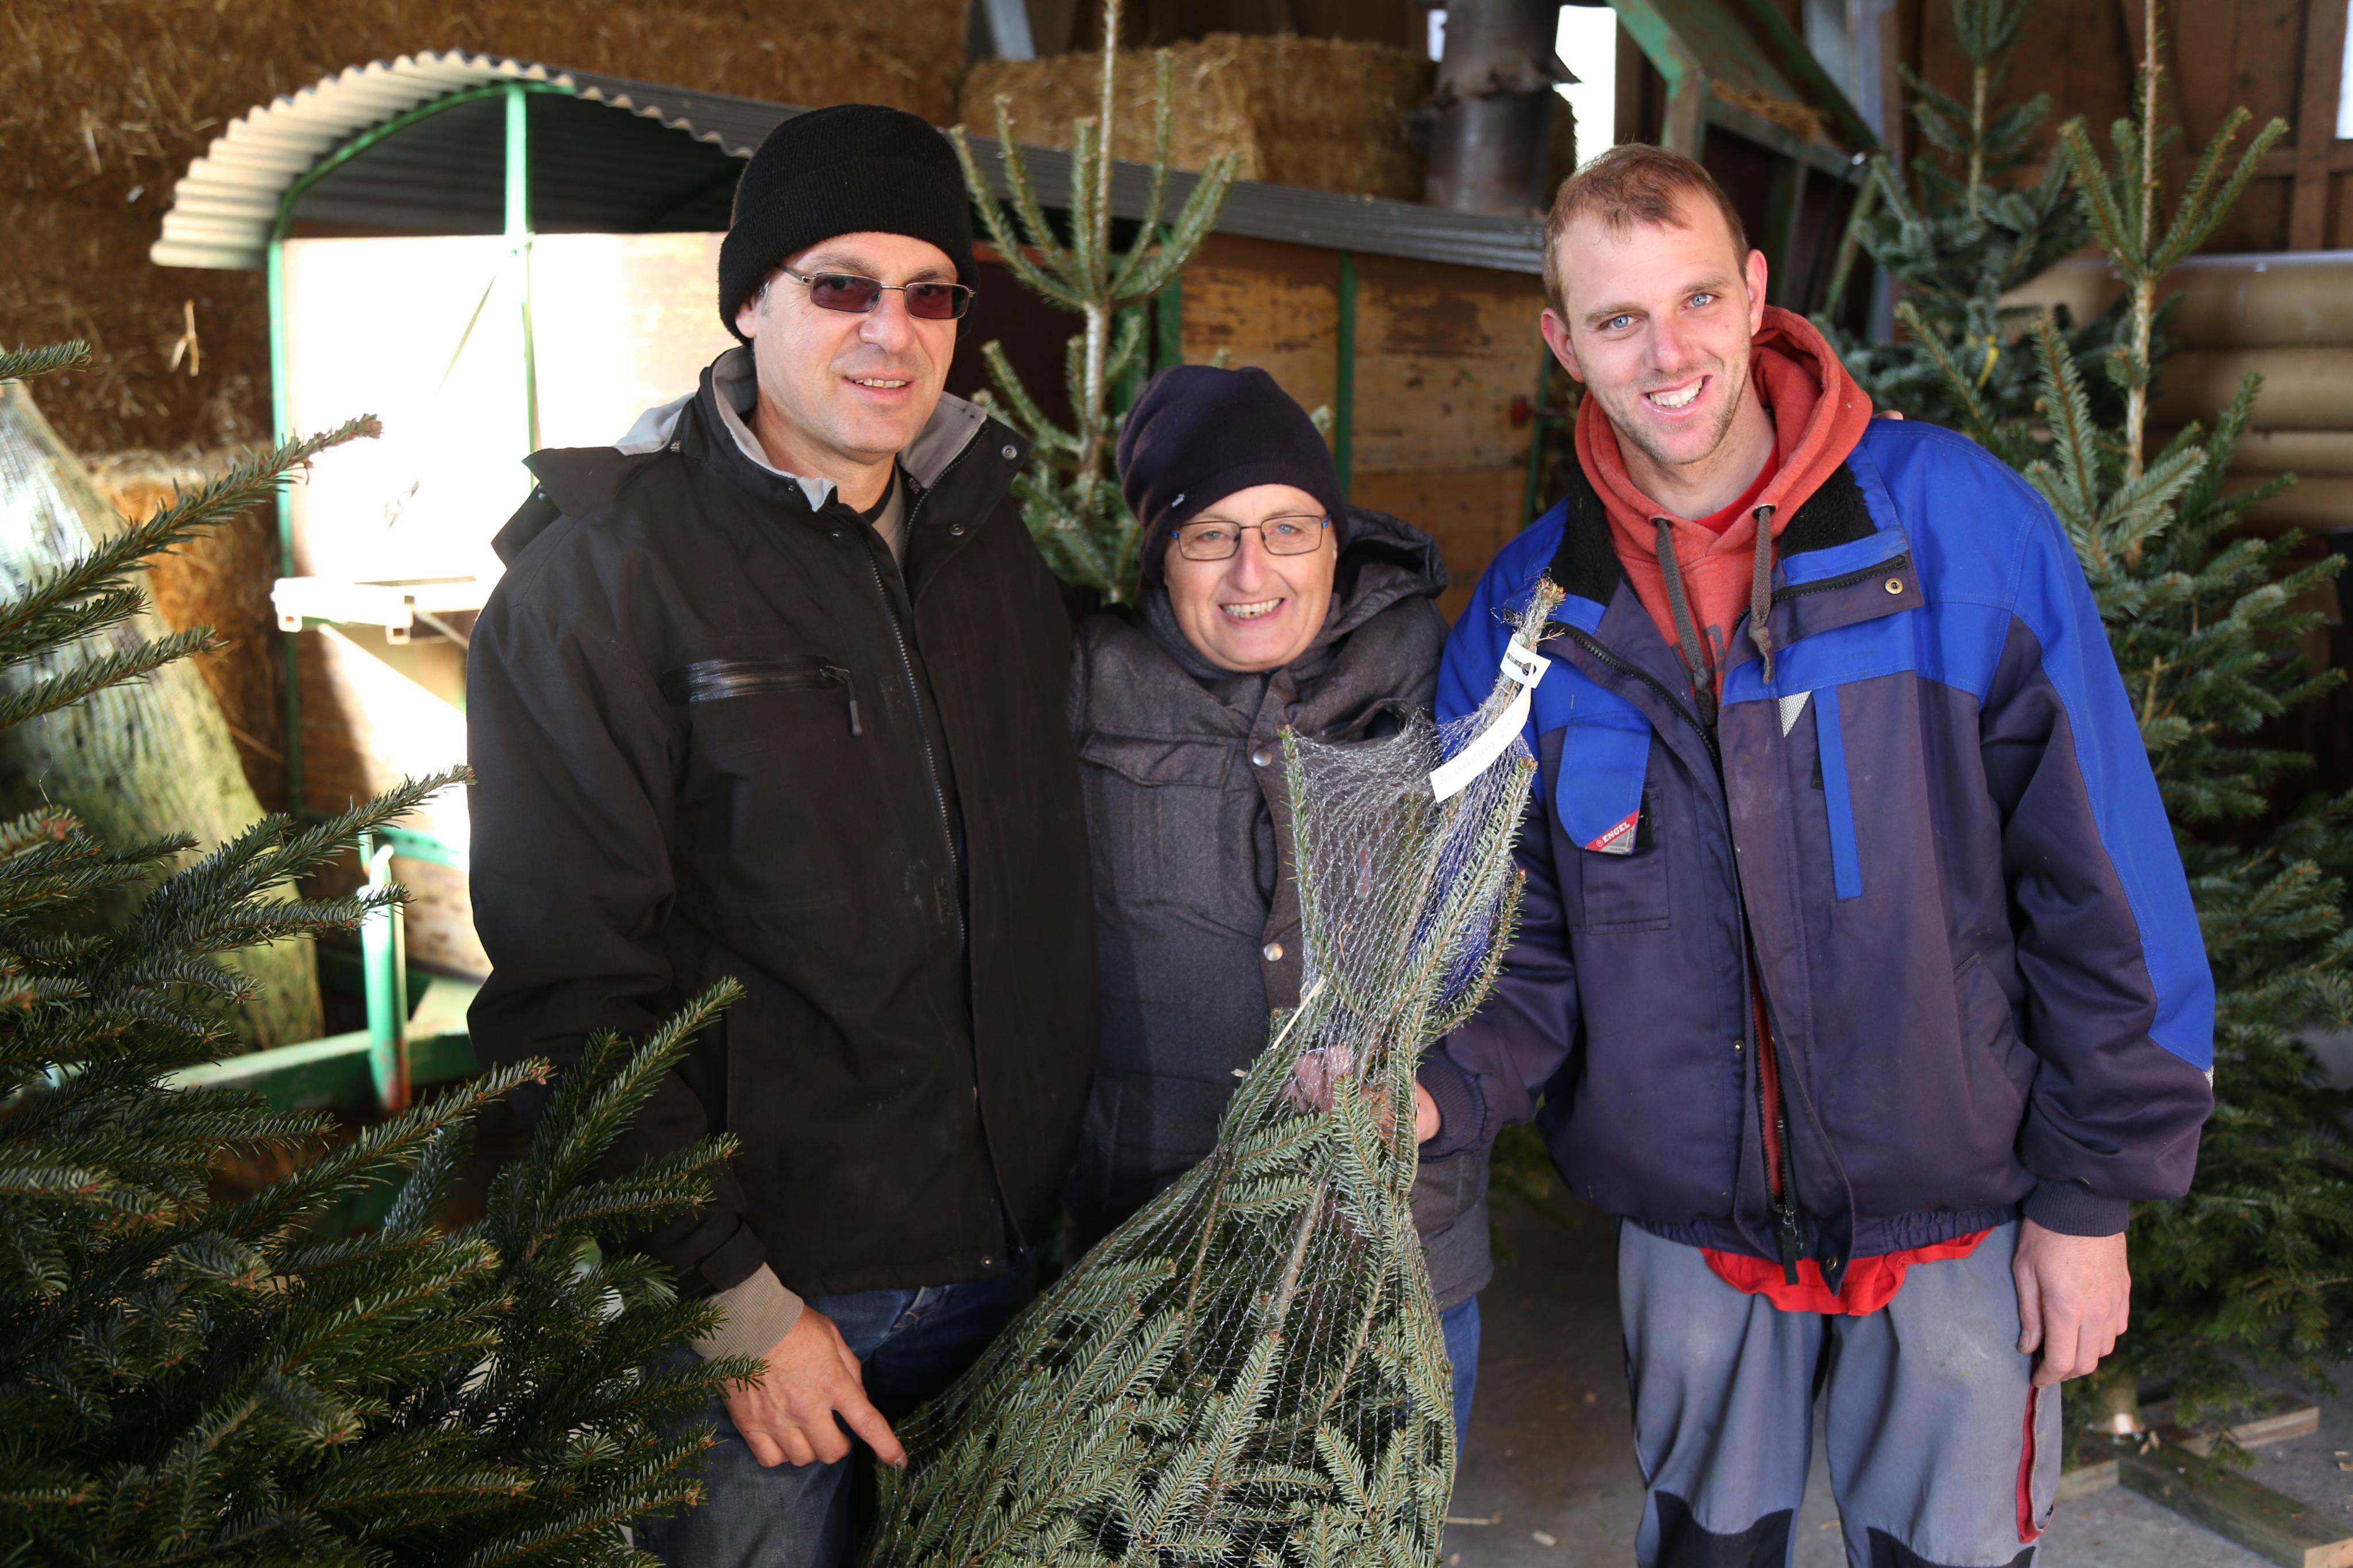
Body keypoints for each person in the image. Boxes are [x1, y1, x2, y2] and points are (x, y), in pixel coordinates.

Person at [1419, 144, 2214, 1567]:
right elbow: (1506, 937)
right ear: (1561, 343)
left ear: (1753, 294)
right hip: (1689, 1224)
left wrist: (2089, 1201)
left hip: (1958, 1204)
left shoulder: (1954, 526)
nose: (1668, 354)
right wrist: (1437, 1087)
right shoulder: (1530, 613)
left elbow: (2101, 883)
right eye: (1616, 319)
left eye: (1694, 300)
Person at [465, 104, 1097, 1567]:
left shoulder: (987, 544)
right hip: (774, 1309)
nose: (891, 330)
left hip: (1010, 1271)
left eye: (929, 293)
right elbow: (568, 991)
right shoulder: (604, 580)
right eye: (841, 285)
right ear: (749, 302)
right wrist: (731, 1302)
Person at [1067, 363, 1491, 1441]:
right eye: (1210, 534)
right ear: (1160, 553)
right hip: (1159, 1253)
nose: (1252, 570)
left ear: (1334, 540)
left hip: (1398, 1247)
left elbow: (1517, 919)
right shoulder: (1088, 679)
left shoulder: (1432, 664)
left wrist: (1454, 1092)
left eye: (1289, 528)